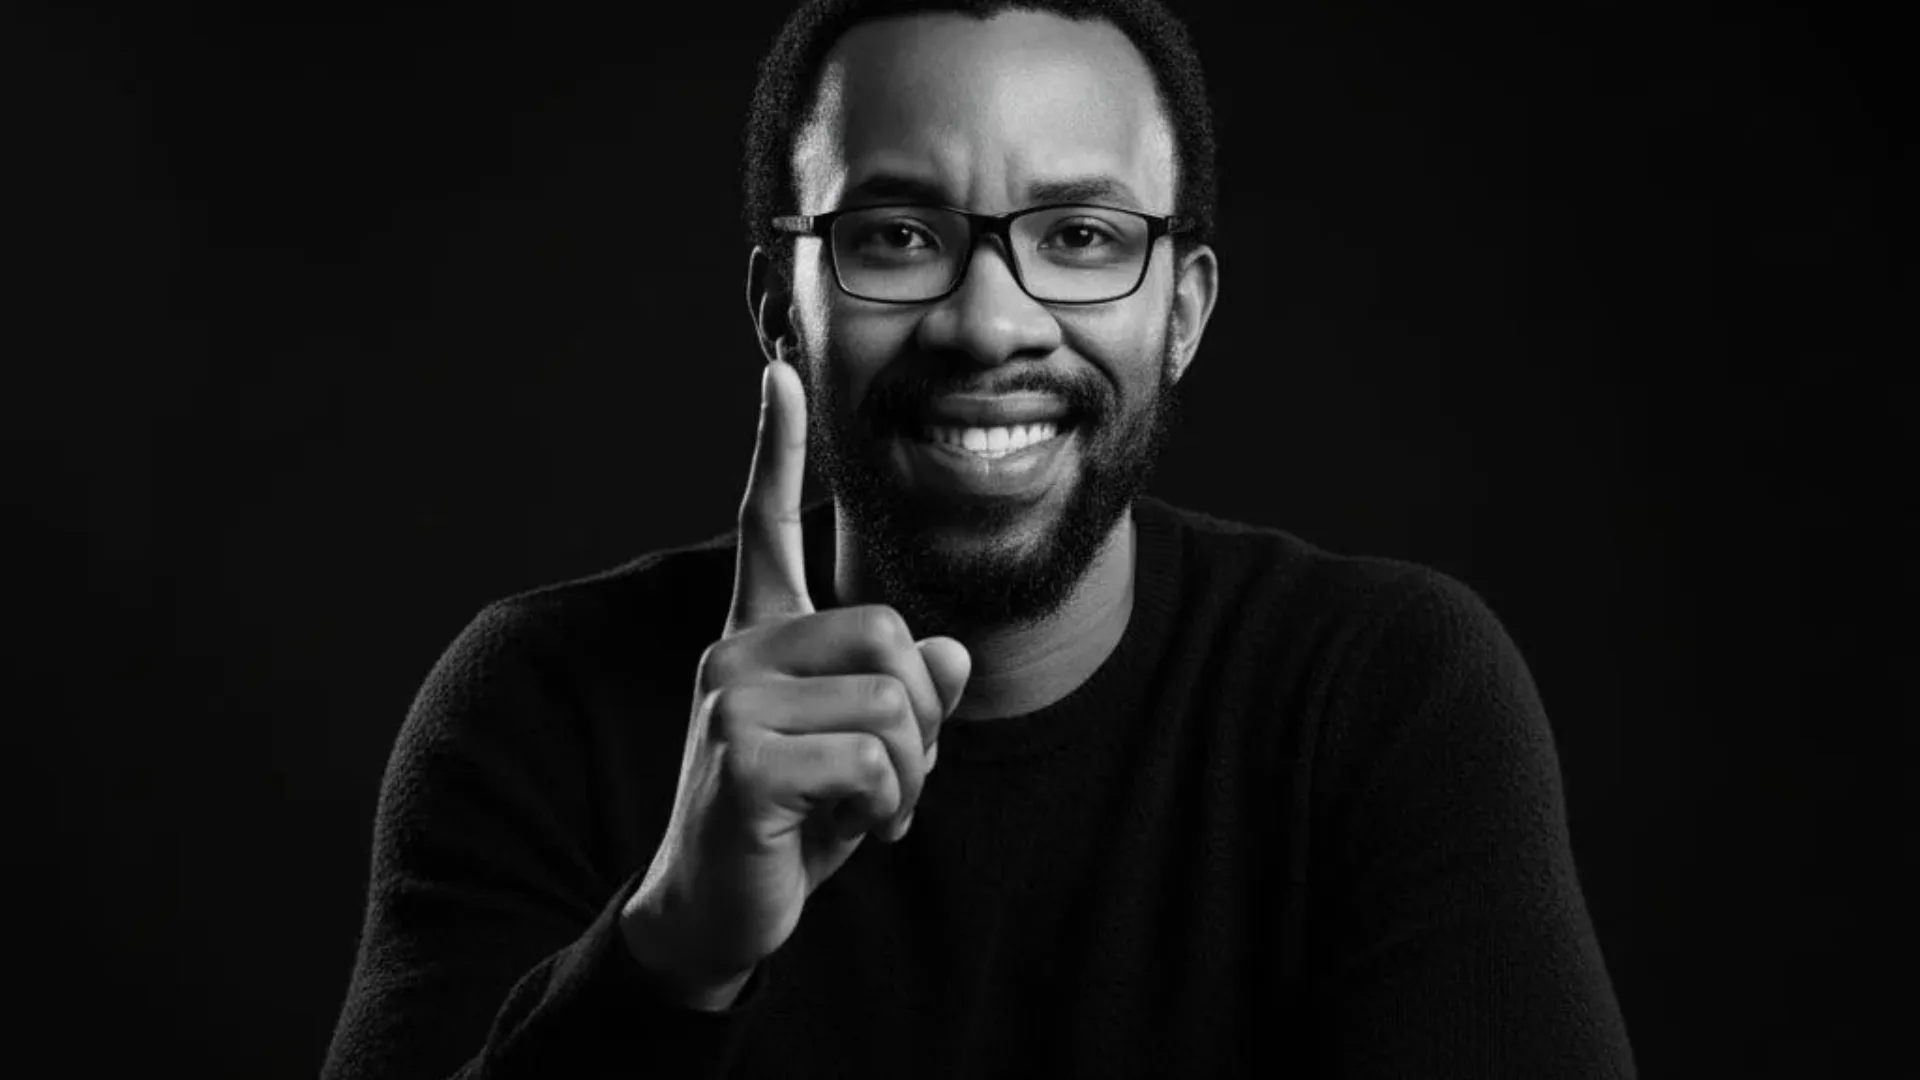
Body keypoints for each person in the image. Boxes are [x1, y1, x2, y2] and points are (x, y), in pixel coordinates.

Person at [321, 0, 1637, 1075]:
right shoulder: (538, 707)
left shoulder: (1382, 697)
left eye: (1079, 236)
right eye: (897, 236)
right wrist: (674, 950)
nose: (991, 322)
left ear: (1181, 313)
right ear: (782, 311)